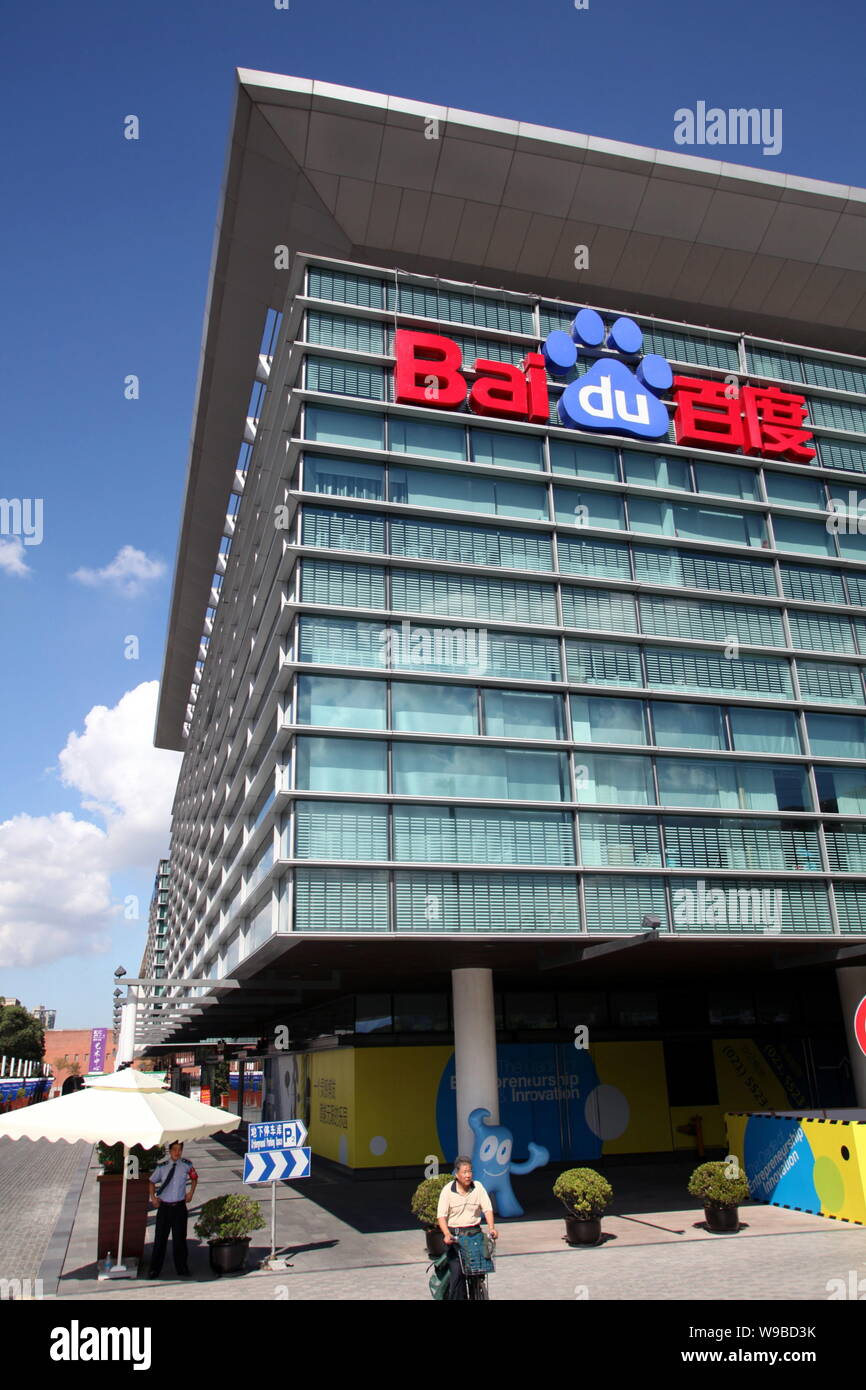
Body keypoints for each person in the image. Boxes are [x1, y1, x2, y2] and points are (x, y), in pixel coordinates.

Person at [436, 1157, 498, 1300]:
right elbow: (441, 1216)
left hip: (474, 1235)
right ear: (456, 1174)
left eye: (470, 1171)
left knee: (479, 1268)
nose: (468, 1175)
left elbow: (487, 1209)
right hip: (456, 1238)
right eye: (464, 1172)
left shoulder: (478, 1187)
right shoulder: (447, 1191)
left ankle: (477, 1291)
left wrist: (491, 1228)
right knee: (457, 1275)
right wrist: (446, 1234)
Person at [147, 1140, 198, 1278]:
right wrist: (153, 1197)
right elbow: (151, 1181)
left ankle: (182, 1268)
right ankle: (155, 1269)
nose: (177, 1152)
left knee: (180, 1239)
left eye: (179, 1149)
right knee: (160, 1239)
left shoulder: (186, 1165)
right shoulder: (162, 1167)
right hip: (165, 1207)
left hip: (179, 1207)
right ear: (170, 1151)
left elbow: (194, 1178)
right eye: (174, 1149)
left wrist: (191, 1193)